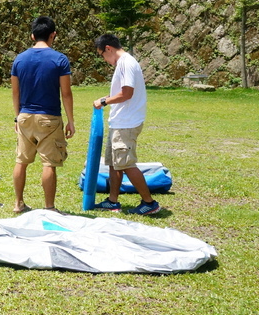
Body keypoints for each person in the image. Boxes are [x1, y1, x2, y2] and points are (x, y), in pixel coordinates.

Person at [10, 16, 76, 213]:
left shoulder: (19, 59)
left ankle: (18, 203)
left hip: (25, 116)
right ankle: (49, 208)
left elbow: (15, 92)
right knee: (49, 163)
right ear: (53, 35)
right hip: (49, 118)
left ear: (32, 35)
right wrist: (71, 121)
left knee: (21, 161)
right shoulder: (59, 59)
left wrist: (17, 116)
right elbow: (66, 92)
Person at [92, 33, 162, 215]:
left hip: (127, 122)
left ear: (108, 49)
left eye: (102, 55)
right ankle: (113, 201)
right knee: (115, 163)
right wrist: (106, 99)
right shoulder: (124, 63)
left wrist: (105, 101)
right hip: (120, 121)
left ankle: (149, 203)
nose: (104, 59)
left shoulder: (126, 63)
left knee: (127, 163)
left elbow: (127, 93)